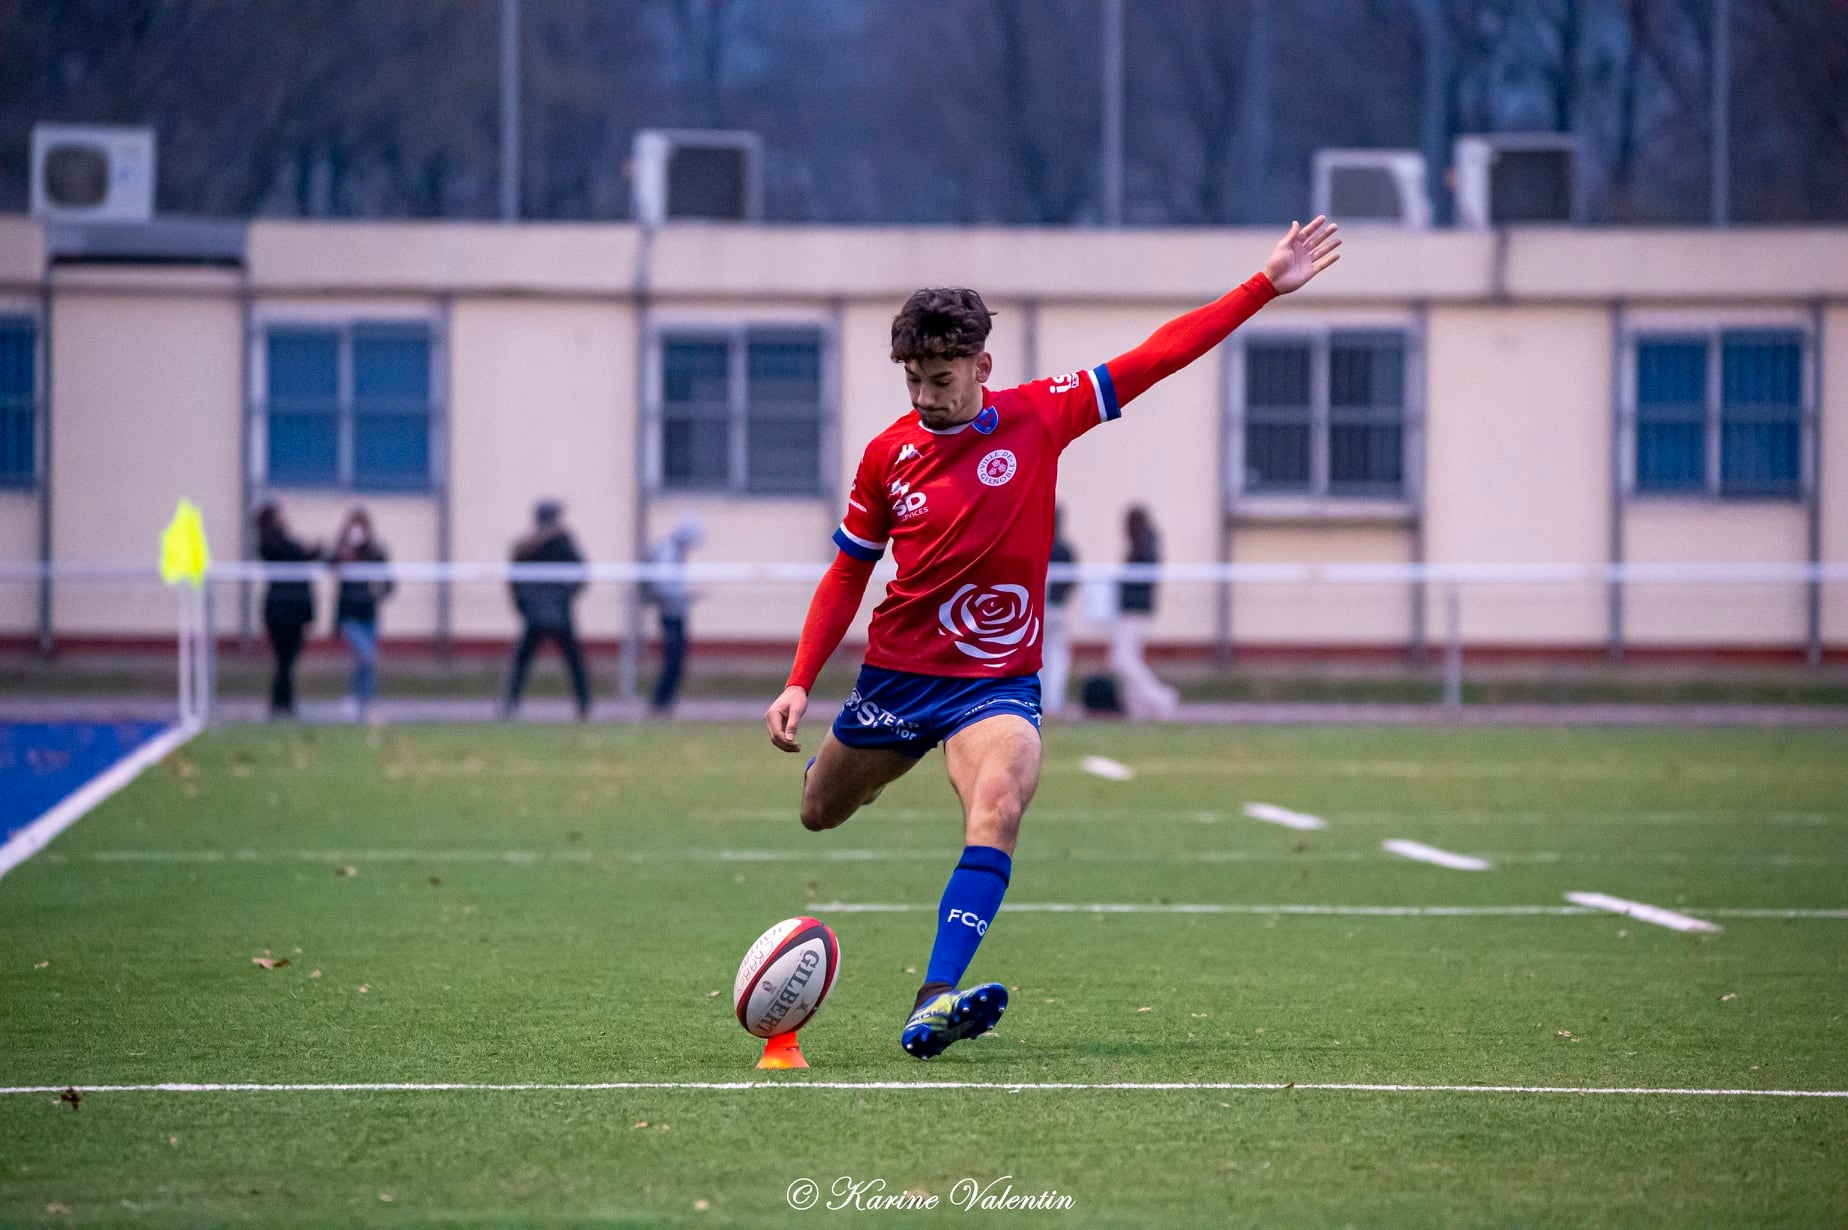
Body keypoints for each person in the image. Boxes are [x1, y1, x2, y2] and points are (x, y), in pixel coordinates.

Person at [763, 217, 1341, 1059]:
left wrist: (1263, 285)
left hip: (995, 682)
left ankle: (935, 996)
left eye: (943, 378)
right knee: (819, 811)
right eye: (915, 380)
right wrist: (798, 679)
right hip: (896, 678)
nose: (927, 396)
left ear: (983, 367)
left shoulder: (1040, 415)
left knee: (998, 806)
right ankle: (864, 767)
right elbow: (849, 570)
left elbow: (1158, 356)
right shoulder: (886, 457)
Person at [501, 500, 591, 720]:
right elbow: (515, 577)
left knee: (571, 660)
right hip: (539, 611)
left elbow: (581, 573)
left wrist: (565, 597)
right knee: (527, 660)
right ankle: (510, 704)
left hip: (556, 609)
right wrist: (524, 605)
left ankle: (583, 705)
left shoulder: (563, 542)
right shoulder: (530, 545)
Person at [1111, 504, 1179, 719]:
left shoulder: (1144, 545)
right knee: (1131, 658)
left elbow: (1141, 577)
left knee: (1122, 659)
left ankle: (1160, 697)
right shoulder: (1145, 543)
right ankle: (1138, 708)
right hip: (1136, 608)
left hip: (1135, 609)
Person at [254, 502, 322, 719]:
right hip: (283, 609)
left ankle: (283, 702)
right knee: (285, 659)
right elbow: (296, 555)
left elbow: (303, 556)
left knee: (287, 659)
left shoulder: (285, 543)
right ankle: (281, 703)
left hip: (293, 608)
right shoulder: (272, 544)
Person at [331, 507, 392, 722]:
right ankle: (356, 699)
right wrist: (345, 550)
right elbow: (330, 564)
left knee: (366, 660)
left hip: (369, 613)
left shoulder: (373, 550)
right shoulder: (343, 550)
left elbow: (387, 578)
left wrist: (378, 595)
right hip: (349, 614)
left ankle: (365, 702)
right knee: (365, 656)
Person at [645, 516, 704, 716]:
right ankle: (660, 703)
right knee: (672, 660)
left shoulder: (676, 552)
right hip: (670, 613)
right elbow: (663, 586)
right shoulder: (667, 552)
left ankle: (666, 702)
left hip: (677, 612)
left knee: (677, 660)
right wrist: (686, 593)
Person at [1041, 506, 1077, 718]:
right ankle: (1055, 701)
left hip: (1044, 609)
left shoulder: (1042, 543)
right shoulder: (1065, 548)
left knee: (1044, 655)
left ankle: (1046, 700)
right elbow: (1073, 579)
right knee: (1057, 656)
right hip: (1058, 609)